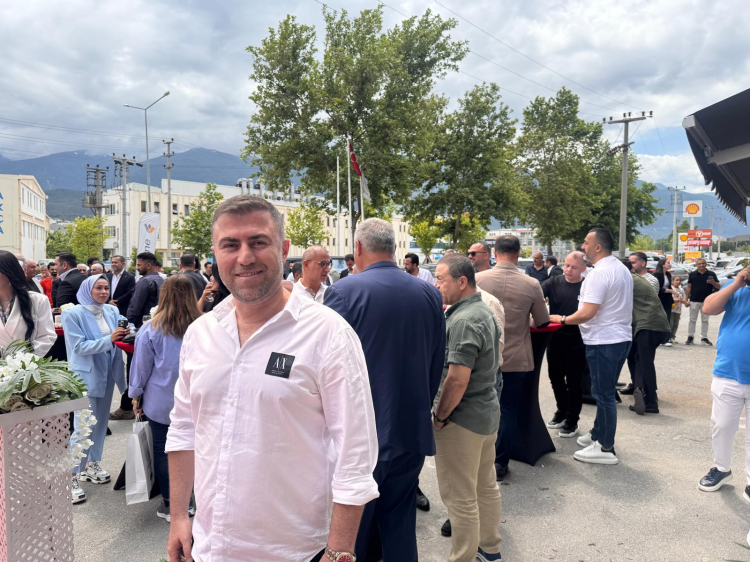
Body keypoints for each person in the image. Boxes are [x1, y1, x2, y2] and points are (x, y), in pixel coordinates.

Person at [165, 195, 379, 562]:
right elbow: (184, 429)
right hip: (209, 546)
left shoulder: (328, 334)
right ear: (215, 254)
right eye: (230, 245)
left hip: (294, 551)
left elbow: (355, 454)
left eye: (258, 242)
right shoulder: (201, 333)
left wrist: (340, 550)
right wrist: (179, 516)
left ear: (283, 249)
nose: (245, 257)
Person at [324, 218, 445, 562]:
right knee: (399, 523)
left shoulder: (344, 292)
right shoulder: (428, 292)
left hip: (361, 436)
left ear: (358, 248)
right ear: (394, 249)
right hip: (410, 426)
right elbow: (436, 361)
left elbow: (325, 368)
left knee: (354, 531)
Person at [433, 253, 502, 562]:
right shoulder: (481, 310)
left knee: (459, 497)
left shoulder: (463, 319)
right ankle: (490, 549)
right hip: (484, 413)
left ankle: (462, 556)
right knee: (485, 486)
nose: (436, 285)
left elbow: (457, 379)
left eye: (441, 279)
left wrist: (439, 416)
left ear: (462, 281)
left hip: (462, 420)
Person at [549, 228, 632, 465]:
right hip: (619, 338)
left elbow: (587, 313)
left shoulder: (598, 274)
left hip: (604, 340)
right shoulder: (620, 268)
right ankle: (597, 433)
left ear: (598, 247)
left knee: (603, 395)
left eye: (586, 243)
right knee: (603, 391)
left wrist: (562, 319)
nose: (583, 246)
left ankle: (605, 447)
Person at [129, 275, 202, 522]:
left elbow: (140, 368)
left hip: (161, 401)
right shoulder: (204, 325)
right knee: (198, 448)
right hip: (197, 399)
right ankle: (195, 497)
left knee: (164, 451)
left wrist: (135, 395)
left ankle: (173, 503)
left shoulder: (151, 328)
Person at [476, 235, 549, 480]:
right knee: (508, 409)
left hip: (483, 357)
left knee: (480, 408)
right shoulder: (531, 284)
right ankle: (499, 463)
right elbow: (542, 321)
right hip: (516, 357)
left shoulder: (478, 280)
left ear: (494, 253)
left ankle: (478, 460)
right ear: (518, 254)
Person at [63, 274, 128, 503]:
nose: (103, 292)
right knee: (82, 426)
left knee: (100, 424)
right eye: (98, 288)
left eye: (106, 288)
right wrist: (110, 339)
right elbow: (78, 347)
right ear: (87, 290)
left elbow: (126, 326)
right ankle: (71, 476)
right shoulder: (73, 314)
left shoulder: (111, 311)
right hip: (85, 377)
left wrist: (128, 331)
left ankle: (92, 464)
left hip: (107, 374)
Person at [698, 266, 750, 496]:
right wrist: (737, 283)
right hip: (729, 372)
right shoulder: (736, 288)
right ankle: (721, 468)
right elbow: (708, 308)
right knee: (722, 425)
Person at [542, 251, 587, 437]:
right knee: (555, 378)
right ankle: (562, 410)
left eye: (574, 267)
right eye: (566, 265)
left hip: (578, 340)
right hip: (555, 338)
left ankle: (572, 419)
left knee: (574, 381)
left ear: (583, 268)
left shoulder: (587, 286)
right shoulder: (554, 282)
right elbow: (535, 294)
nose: (568, 270)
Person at [621, 259, 671, 415]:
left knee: (644, 362)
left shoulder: (626, 280)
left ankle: (650, 401)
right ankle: (640, 389)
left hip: (648, 325)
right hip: (655, 324)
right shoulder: (635, 279)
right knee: (638, 359)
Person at [0, 251, 56, 356]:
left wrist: (22, 359)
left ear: (9, 272)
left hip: (26, 363)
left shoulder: (37, 300)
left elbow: (47, 336)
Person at [685, 258, 721, 345]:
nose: (701, 265)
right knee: (692, 319)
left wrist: (713, 282)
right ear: (696, 265)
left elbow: (719, 287)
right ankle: (690, 336)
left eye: (703, 263)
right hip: (694, 300)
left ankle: (704, 337)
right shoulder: (692, 274)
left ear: (706, 264)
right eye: (699, 264)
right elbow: (689, 287)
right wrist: (686, 299)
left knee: (705, 320)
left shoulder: (711, 274)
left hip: (707, 301)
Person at [127, 252, 165, 329]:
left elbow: (135, 305)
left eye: (139, 265)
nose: (137, 268)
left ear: (148, 266)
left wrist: (128, 322)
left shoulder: (144, 281)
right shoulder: (163, 280)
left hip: (143, 325)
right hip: (160, 323)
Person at [653, 258, 675, 336]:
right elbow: (657, 288)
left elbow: (669, 286)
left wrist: (674, 294)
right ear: (663, 265)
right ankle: (658, 335)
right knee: (659, 318)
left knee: (667, 317)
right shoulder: (657, 274)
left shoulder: (668, 274)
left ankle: (666, 337)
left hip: (667, 299)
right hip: (660, 298)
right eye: (668, 263)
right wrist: (670, 291)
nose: (670, 264)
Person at [669, 276, 686, 343]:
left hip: (678, 309)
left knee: (675, 324)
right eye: (676, 280)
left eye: (679, 280)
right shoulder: (671, 289)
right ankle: (668, 337)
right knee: (670, 323)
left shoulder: (681, 290)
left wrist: (685, 302)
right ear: (672, 281)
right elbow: (669, 298)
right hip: (671, 309)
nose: (678, 281)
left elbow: (683, 299)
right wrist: (675, 300)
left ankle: (673, 337)